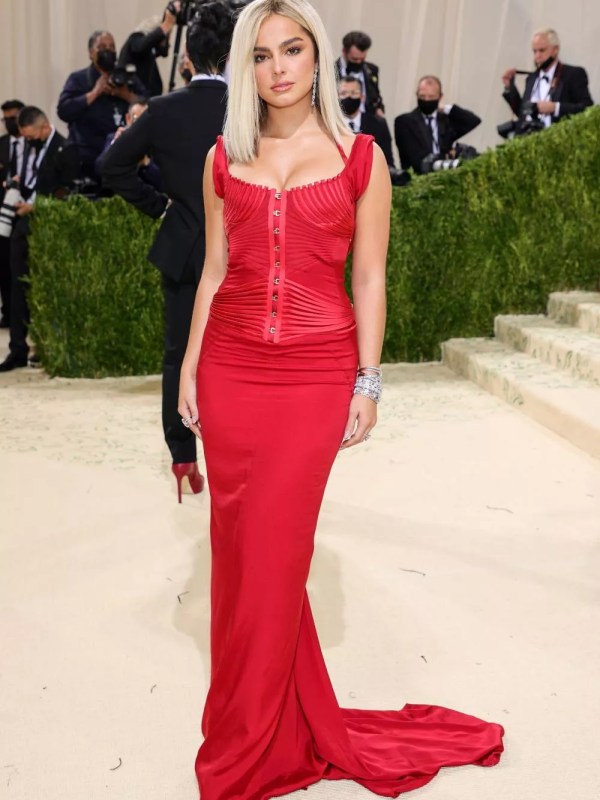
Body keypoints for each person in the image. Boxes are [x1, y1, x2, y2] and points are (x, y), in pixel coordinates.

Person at [177, 1, 504, 797]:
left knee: (276, 555)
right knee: (240, 557)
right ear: (246, 69)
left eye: (292, 50)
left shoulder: (362, 159)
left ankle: (249, 745)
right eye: (261, 55)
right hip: (229, 370)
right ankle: (265, 726)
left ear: (318, 57)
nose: (278, 68)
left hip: (314, 379)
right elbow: (213, 273)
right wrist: (188, 369)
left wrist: (369, 380)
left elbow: (369, 278)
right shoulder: (224, 158)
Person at [102, 4, 233, 500]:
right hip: (241, 249)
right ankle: (234, 455)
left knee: (180, 356)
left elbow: (112, 167)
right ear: (235, 56)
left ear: (188, 59)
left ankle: (183, 458)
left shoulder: (162, 109)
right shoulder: (253, 108)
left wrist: (161, 207)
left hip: (183, 246)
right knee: (240, 356)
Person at [0, 106, 80, 372]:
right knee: (17, 287)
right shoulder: (27, 147)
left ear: (44, 127)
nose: (28, 141)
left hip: (49, 227)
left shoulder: (66, 149)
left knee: (47, 288)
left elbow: (68, 193)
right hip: (22, 225)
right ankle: (17, 349)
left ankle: (48, 347)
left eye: (31, 136)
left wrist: (36, 207)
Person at [57, 30, 147, 181]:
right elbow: (64, 111)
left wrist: (126, 95)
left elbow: (148, 104)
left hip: (120, 155)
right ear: (91, 53)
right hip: (87, 157)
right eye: (102, 47)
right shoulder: (79, 79)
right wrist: (94, 93)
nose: (108, 51)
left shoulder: (126, 77)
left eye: (112, 47)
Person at [502, 28, 593, 128]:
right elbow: (523, 114)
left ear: (555, 50)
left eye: (542, 50)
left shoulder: (572, 74)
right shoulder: (531, 79)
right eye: (534, 51)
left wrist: (555, 107)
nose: (537, 56)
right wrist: (510, 88)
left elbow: (588, 108)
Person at [394, 75, 481, 174]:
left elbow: (472, 121)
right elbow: (413, 156)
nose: (426, 100)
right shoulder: (404, 122)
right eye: (422, 96)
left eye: (431, 97)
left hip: (446, 175)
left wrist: (447, 108)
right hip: (418, 177)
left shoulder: (445, 121)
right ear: (417, 95)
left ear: (440, 97)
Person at [95, 98, 162, 191]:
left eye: (145, 121)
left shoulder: (158, 143)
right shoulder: (114, 138)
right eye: (137, 120)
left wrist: (146, 163)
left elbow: (163, 181)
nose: (141, 126)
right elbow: (99, 169)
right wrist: (115, 144)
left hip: (146, 193)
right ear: (128, 119)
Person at [118, 2, 182, 97]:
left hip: (149, 96)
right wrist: (166, 25)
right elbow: (142, 46)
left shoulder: (150, 51)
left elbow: (163, 52)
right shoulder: (135, 39)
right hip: (134, 97)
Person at [0, 99, 26, 328]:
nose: (9, 122)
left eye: (13, 117)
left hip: (26, 209)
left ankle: (26, 314)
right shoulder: (2, 144)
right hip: (3, 212)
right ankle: (8, 313)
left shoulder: (33, 143)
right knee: (4, 264)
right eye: (5, 119)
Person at [338, 75, 395, 167]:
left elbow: (387, 161)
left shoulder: (378, 124)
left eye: (354, 93)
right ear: (337, 97)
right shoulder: (329, 125)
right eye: (343, 93)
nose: (349, 97)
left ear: (362, 97)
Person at [335, 30, 385, 116]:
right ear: (344, 51)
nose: (359, 62)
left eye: (362, 59)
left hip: (366, 120)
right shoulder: (330, 71)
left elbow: (375, 96)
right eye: (355, 59)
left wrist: (379, 109)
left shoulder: (372, 69)